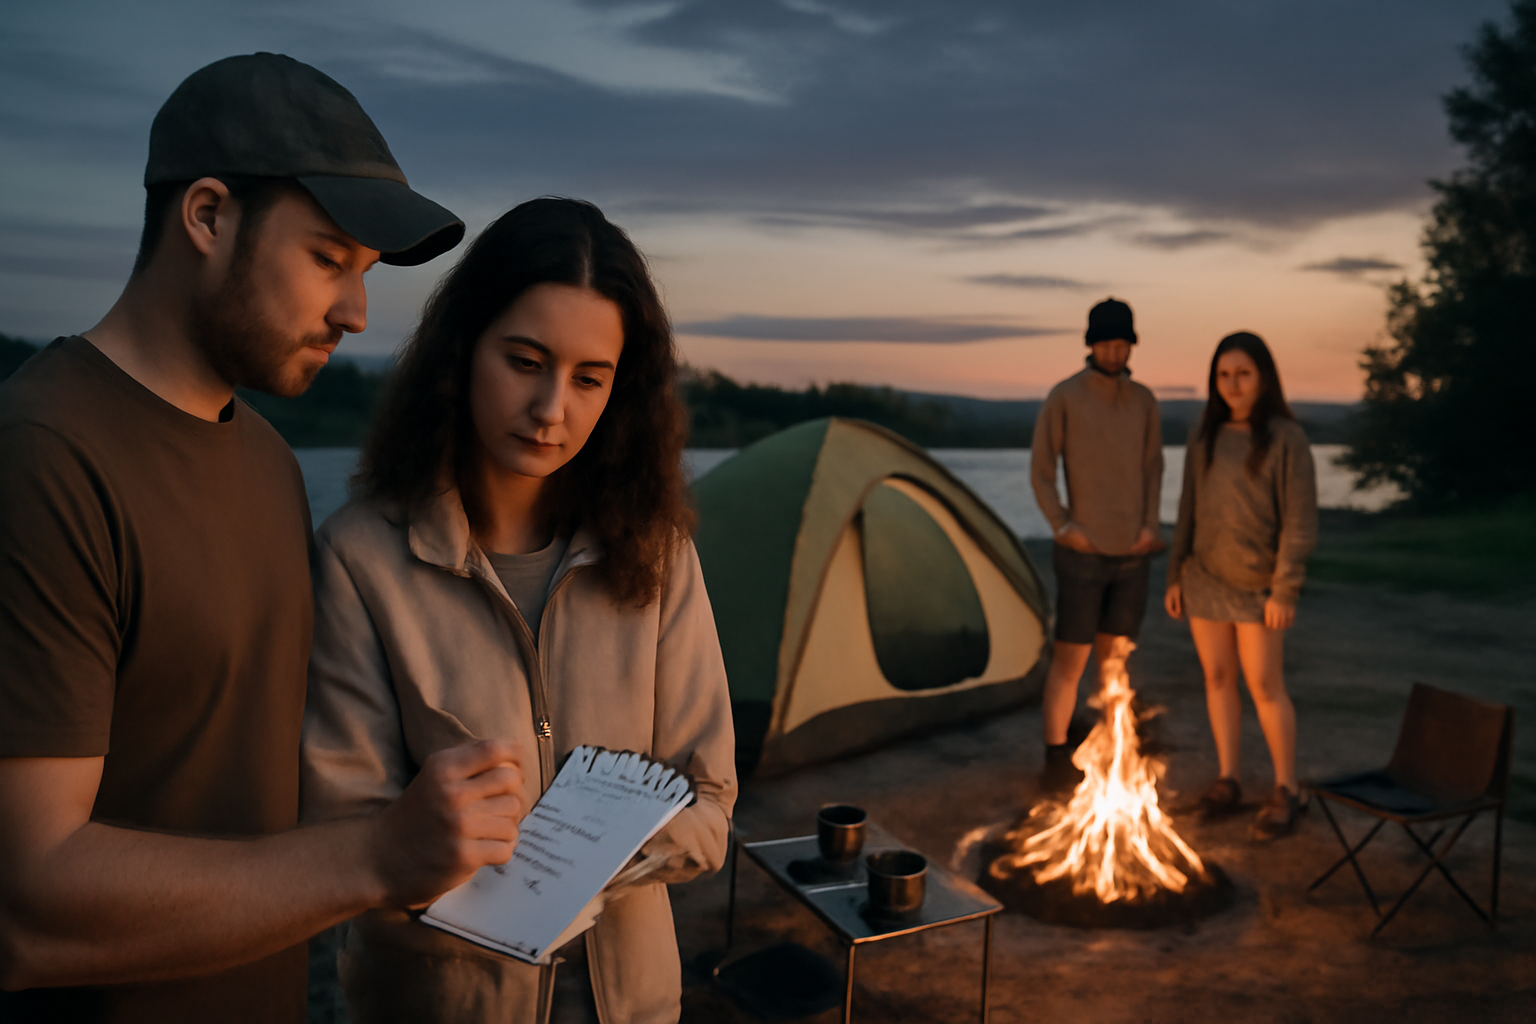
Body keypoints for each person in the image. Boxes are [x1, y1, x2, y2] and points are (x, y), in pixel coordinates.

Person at [0, 54, 530, 1022]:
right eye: (328, 259)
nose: (356, 313)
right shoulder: (44, 458)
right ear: (207, 216)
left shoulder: (273, 465)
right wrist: (376, 856)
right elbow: (26, 905)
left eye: (365, 274)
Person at [300, 197, 737, 1024]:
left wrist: (586, 854)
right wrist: (438, 856)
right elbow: (341, 839)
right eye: (525, 361)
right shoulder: (359, 559)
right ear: (462, 350)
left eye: (589, 379)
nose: (551, 408)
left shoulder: (659, 553)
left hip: (635, 1007)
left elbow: (710, 802)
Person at [1164, 331, 1317, 841]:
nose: (1232, 384)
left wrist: (1285, 589)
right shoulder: (1204, 435)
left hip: (1258, 587)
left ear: (1263, 378)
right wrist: (1176, 573)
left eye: (1243, 374)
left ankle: (1287, 788)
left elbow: (1299, 521)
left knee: (1265, 686)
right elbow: (1187, 508)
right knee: (1217, 679)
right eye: (1223, 375)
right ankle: (1228, 778)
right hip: (1204, 579)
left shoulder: (1286, 438)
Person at [1031, 297, 1164, 794]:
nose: (1114, 351)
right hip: (1082, 554)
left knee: (1115, 661)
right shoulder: (1066, 397)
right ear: (1091, 344)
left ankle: (1114, 748)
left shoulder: (1144, 401)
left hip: (1132, 555)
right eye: (1106, 343)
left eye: (1122, 343)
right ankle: (1054, 756)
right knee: (1070, 659)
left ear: (1131, 345)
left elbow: (1153, 467)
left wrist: (1150, 525)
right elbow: (1041, 469)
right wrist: (1062, 524)